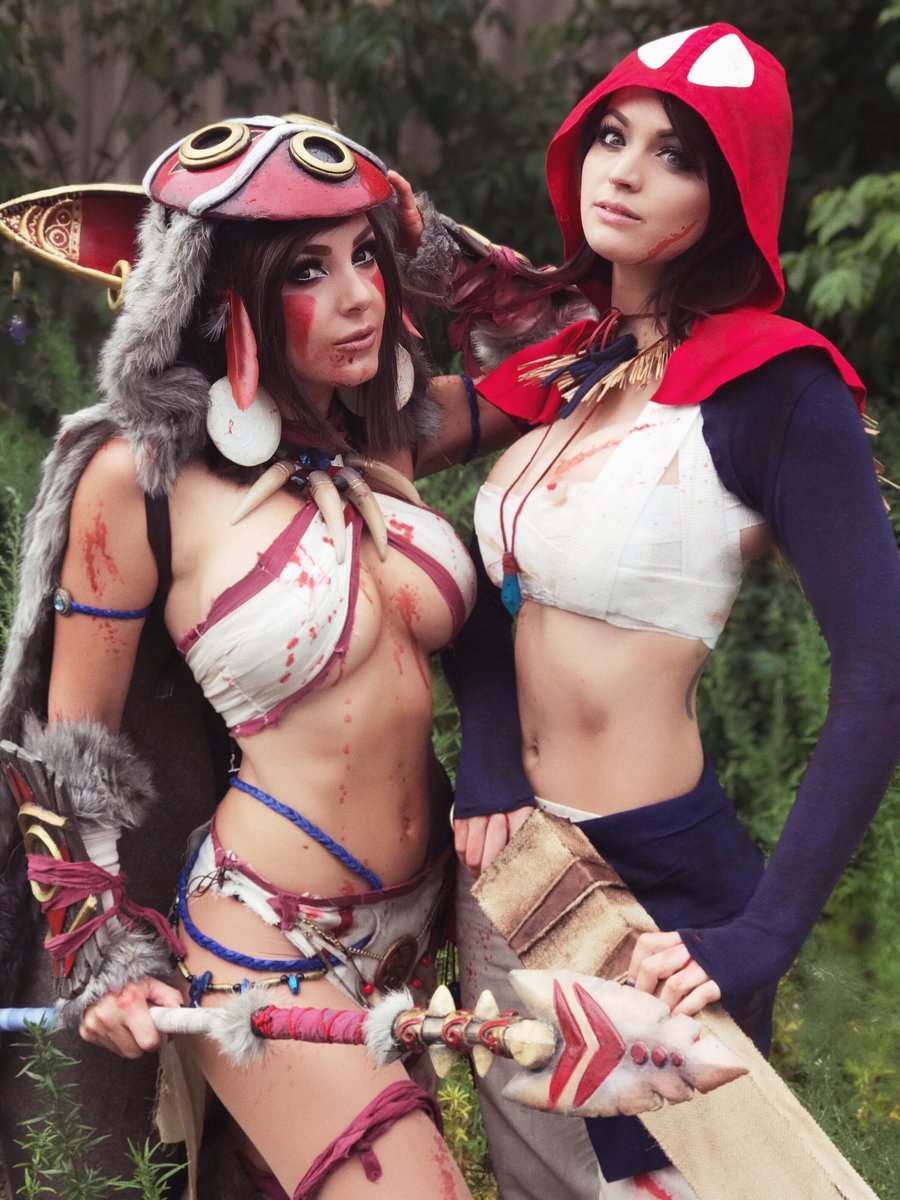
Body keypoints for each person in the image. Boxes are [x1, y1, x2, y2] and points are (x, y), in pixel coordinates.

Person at [412, 23, 900, 1200]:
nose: (624, 171)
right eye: (611, 136)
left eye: (675, 154)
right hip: (508, 865)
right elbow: (389, 472)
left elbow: (883, 668)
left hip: (652, 894)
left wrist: (768, 932)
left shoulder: (775, 386)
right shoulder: (574, 364)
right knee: (536, 1186)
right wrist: (489, 747)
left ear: (732, 195)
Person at [0, 117, 476, 1200]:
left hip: (421, 939)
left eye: (367, 257)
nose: (360, 297)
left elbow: (579, 358)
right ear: (221, 296)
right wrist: (96, 946)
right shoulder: (137, 478)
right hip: (266, 932)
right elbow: (69, 747)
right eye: (308, 270)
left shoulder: (379, 435)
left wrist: (432, 242)